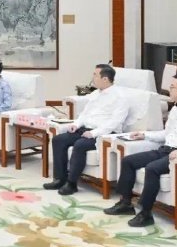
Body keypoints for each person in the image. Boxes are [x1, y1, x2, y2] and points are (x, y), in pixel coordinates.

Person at [103, 74, 177, 227]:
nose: (169, 90)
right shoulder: (175, 109)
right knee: (128, 161)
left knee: (152, 168)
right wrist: (145, 135)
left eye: (172, 87)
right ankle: (125, 203)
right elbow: (166, 134)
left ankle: (145, 213)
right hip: (164, 150)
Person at [44, 64, 128, 195]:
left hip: (104, 134)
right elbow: (84, 114)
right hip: (86, 129)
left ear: (105, 79)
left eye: (95, 75)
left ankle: (72, 184)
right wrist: (76, 124)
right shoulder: (95, 94)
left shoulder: (120, 97)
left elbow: (114, 122)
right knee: (58, 140)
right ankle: (60, 179)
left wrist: (94, 133)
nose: (92, 78)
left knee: (80, 144)